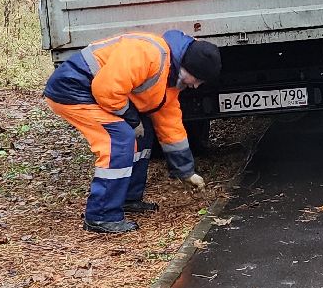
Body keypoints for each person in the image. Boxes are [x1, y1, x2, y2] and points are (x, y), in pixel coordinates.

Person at [44, 29, 223, 234]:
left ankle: (127, 198)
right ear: (187, 67)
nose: (196, 86)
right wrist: (131, 118)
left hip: (95, 91)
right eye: (198, 79)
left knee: (143, 134)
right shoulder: (148, 54)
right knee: (118, 140)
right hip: (72, 89)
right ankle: (101, 216)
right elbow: (106, 90)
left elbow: (170, 127)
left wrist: (186, 171)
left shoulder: (170, 80)